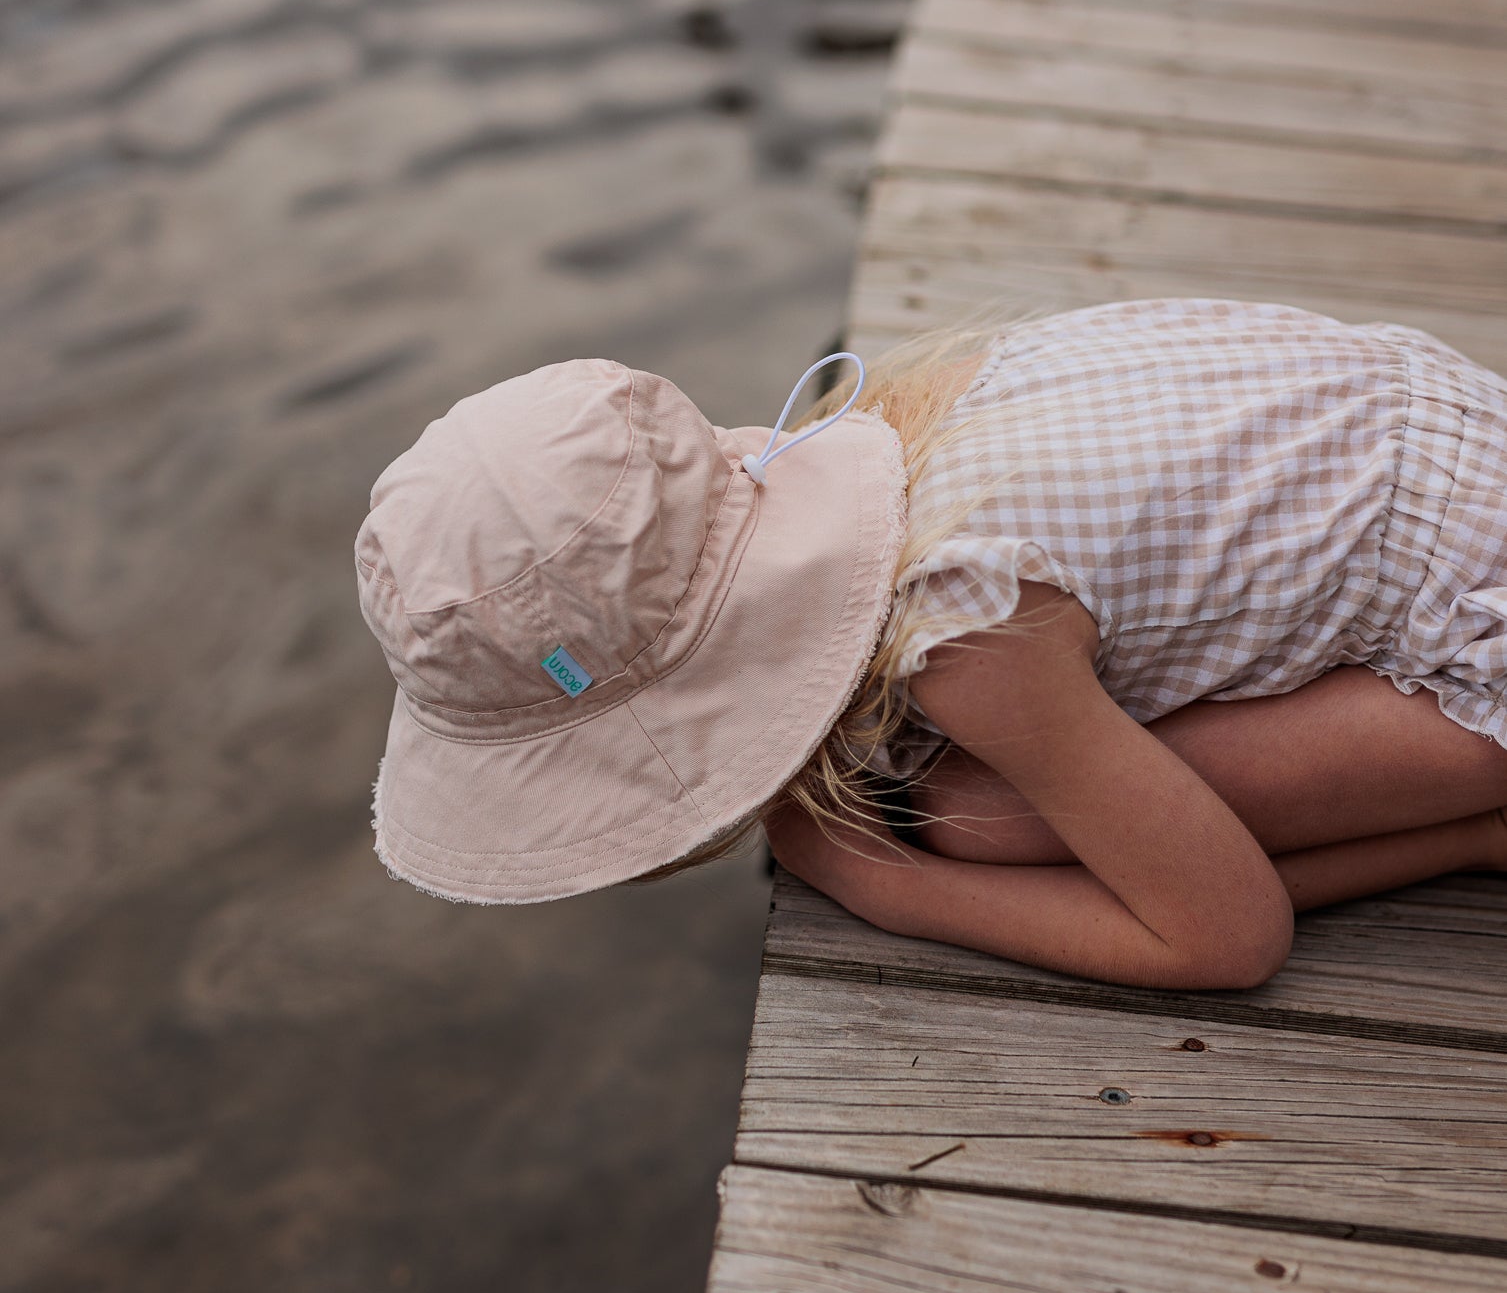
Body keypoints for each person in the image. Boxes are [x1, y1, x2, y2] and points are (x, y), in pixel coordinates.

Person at [354, 298, 1507, 992]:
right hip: (1461, 442)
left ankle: (1474, 828)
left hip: (1479, 637)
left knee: (975, 821)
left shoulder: (967, 632)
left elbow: (1227, 938)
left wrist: (880, 885)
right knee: (984, 793)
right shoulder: (921, 407)